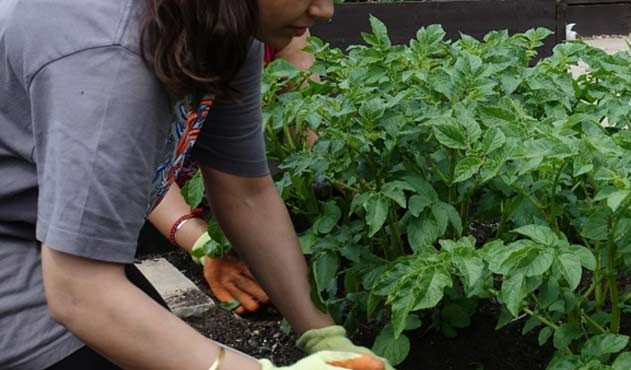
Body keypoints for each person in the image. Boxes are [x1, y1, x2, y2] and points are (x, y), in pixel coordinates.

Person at [0, 0, 387, 369]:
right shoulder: (112, 58)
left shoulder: (225, 24)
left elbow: (245, 192)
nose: (326, 10)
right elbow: (79, 293)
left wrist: (325, 337)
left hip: (39, 232)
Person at [147, 31, 317, 316]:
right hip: (150, 207)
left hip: (230, 194)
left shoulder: (287, 30)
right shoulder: (162, 31)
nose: (323, 10)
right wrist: (203, 244)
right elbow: (139, 172)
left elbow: (311, 132)